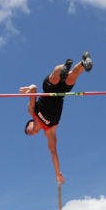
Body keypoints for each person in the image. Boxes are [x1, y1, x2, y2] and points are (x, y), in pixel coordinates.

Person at [20, 51, 93, 185]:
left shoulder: (32, 111)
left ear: (29, 123)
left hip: (49, 89)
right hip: (60, 95)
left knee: (56, 76)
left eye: (27, 130)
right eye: (29, 134)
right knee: (72, 78)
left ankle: (64, 67)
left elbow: (34, 89)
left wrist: (29, 88)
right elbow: (53, 153)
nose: (29, 133)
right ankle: (84, 62)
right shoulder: (49, 131)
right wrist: (58, 174)